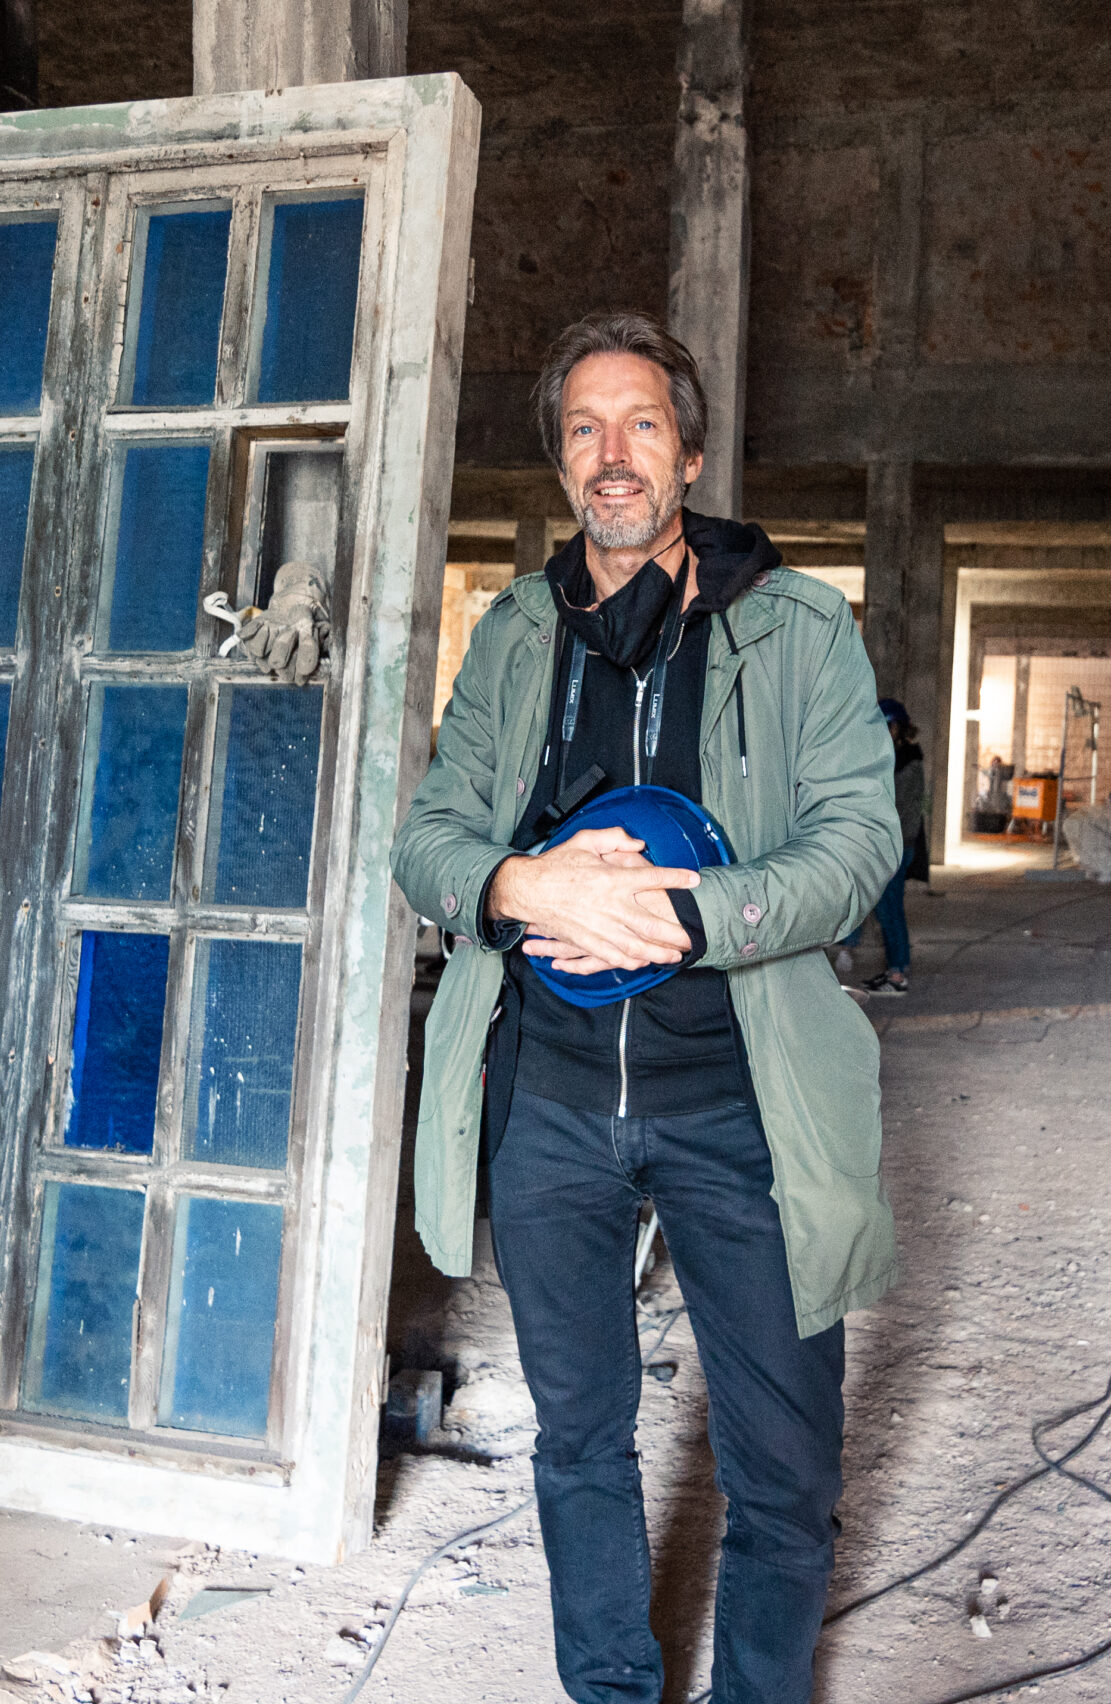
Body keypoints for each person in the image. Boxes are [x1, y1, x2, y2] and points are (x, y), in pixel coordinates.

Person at [392, 310, 904, 1704]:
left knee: (784, 1468)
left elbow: (860, 848)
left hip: (740, 1104)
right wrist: (518, 886)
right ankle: (609, 1687)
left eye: (640, 426)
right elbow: (428, 837)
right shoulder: (512, 634)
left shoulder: (798, 630)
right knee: (578, 1439)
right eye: (582, 429)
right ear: (560, 460)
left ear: (687, 449)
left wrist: (686, 915)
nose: (611, 456)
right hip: (552, 1100)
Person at [847, 702, 928, 997]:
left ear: (894, 728)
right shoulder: (899, 759)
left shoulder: (905, 763)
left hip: (894, 847)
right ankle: (896, 970)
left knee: (889, 910)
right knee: (888, 909)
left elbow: (898, 811)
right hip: (892, 845)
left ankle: (897, 975)